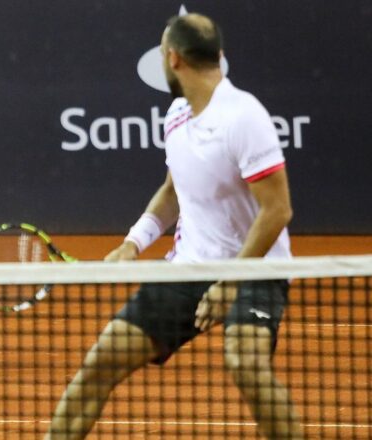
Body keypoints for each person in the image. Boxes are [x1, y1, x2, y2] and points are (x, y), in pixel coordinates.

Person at [47, 13, 303, 439]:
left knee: (246, 364)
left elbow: (277, 211)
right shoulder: (177, 115)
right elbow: (172, 191)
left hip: (255, 271)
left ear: (173, 59)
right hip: (188, 268)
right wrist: (133, 243)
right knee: (99, 364)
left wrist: (230, 281)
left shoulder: (244, 116)